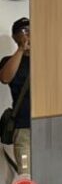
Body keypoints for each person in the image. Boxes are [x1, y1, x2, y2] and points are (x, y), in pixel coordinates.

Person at [0, 17, 30, 175]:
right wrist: (21, 50)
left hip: (45, 124)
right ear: (15, 36)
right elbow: (5, 78)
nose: (29, 34)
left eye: (31, 30)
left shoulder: (43, 59)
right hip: (23, 127)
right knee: (26, 176)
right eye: (24, 31)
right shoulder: (8, 61)